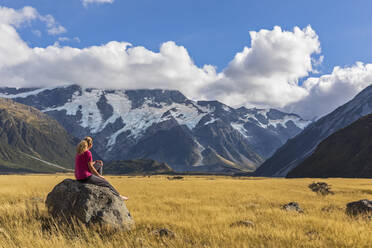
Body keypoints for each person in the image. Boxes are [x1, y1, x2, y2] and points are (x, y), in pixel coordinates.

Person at [74, 136, 128, 200]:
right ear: (90, 145)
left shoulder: (79, 152)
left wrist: (96, 162)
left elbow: (86, 164)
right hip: (85, 177)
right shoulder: (88, 153)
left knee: (99, 164)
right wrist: (99, 176)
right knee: (106, 183)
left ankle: (98, 180)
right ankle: (119, 196)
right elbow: (91, 167)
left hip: (78, 177)